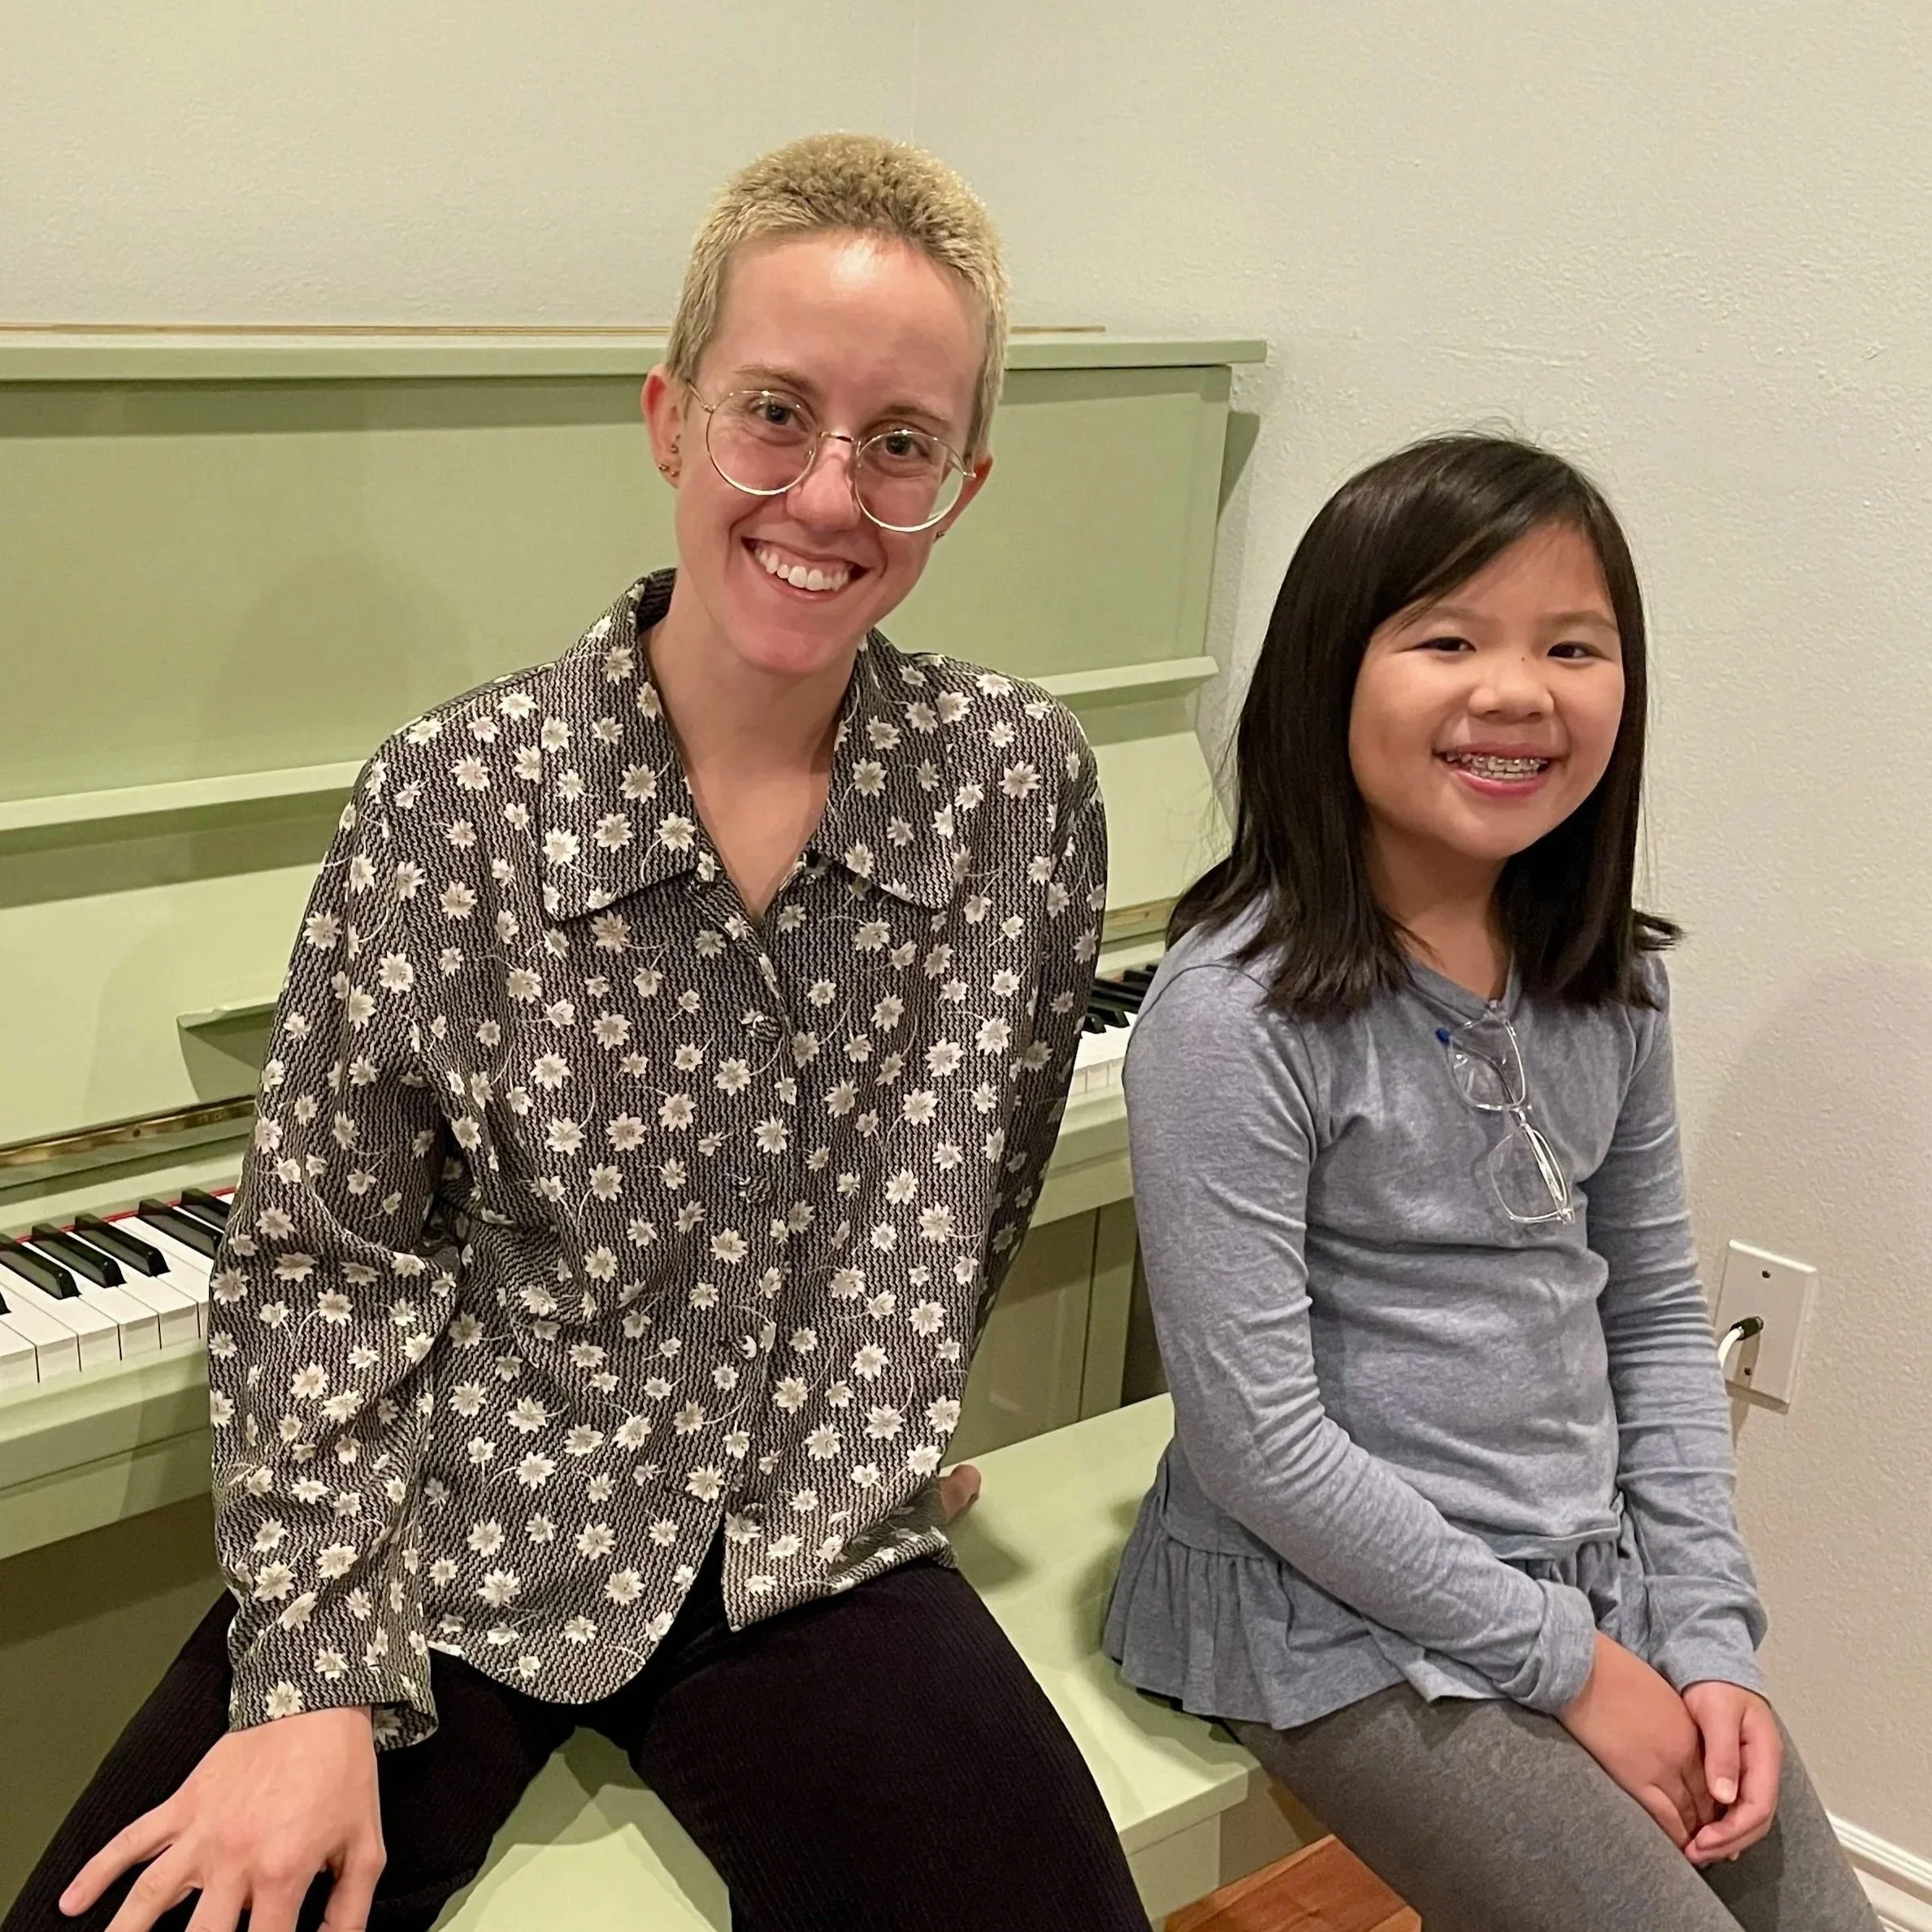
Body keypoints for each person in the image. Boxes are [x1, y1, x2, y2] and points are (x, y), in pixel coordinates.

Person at [9, 132, 1148, 1932]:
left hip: (808, 1560)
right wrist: (307, 1678)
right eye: (776, 413)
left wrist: (885, 1409)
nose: (829, 493)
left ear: (964, 483)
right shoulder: (455, 796)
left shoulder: (1021, 790)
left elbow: (981, 1169)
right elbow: (325, 1258)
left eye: (900, 444)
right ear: (672, 417)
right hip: (456, 1541)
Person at [1102, 435, 1880, 1932]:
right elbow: (1260, 1448)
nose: (1518, 690)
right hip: (1321, 1606)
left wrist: (1709, 1640)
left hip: (1583, 1568)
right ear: (1331, 676)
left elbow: (1653, 1321)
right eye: (1448, 637)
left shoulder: (1612, 988)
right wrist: (1579, 1670)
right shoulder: (1231, 1017)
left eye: (1572, 646)